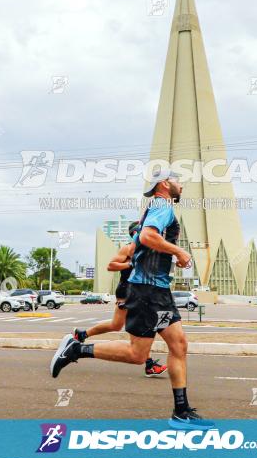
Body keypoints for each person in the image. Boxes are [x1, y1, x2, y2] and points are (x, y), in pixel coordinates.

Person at [50, 169, 212, 429]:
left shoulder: (154, 208)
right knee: (138, 355)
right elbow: (148, 236)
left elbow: (144, 244)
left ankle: (181, 412)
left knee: (179, 345)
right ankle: (76, 349)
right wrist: (179, 251)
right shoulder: (162, 205)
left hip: (158, 289)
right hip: (146, 290)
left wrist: (165, 256)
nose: (182, 186)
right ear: (164, 183)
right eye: (178, 180)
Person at [71, 220, 168, 378]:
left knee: (116, 325)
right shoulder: (128, 249)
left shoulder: (148, 250)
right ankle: (149, 364)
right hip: (127, 291)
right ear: (135, 233)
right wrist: (130, 265)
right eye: (142, 231)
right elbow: (111, 265)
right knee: (138, 327)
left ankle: (81, 335)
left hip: (139, 292)